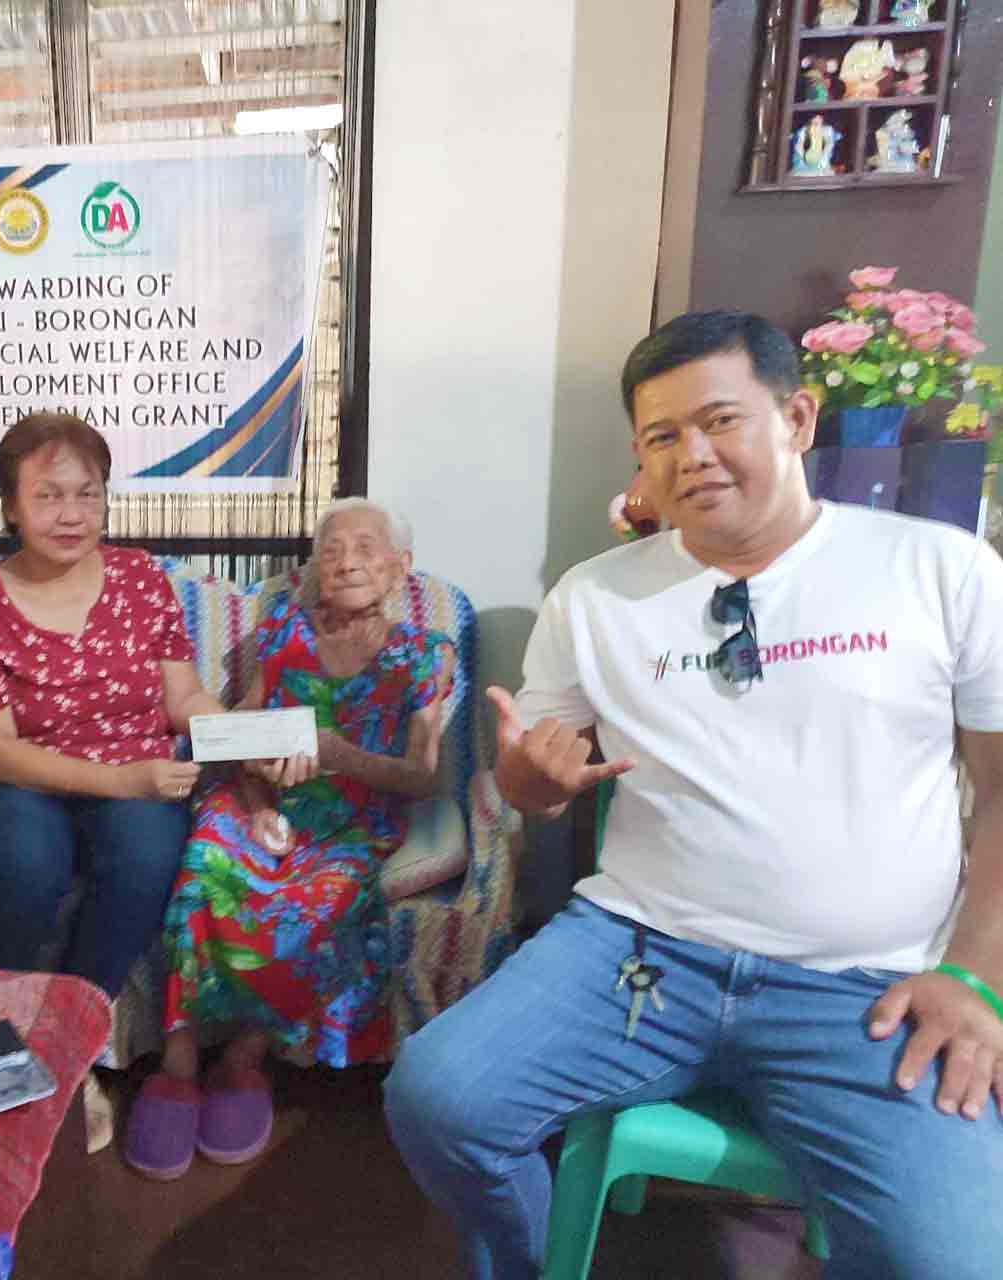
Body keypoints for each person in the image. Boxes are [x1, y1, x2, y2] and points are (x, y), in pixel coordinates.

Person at [383, 311, 1003, 1278]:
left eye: (720, 422)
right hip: (638, 954)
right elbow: (531, 783)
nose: (693, 456)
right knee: (438, 1098)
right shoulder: (594, 598)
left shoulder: (938, 570)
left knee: (952, 1262)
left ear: (796, 418)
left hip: (863, 986)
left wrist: (975, 975)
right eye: (662, 437)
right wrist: (524, 778)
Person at [124, 499, 456, 1181]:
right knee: (209, 855)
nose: (346, 560)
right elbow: (236, 734)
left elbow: (423, 775)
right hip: (267, 799)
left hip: (353, 816)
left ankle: (246, 1058)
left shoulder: (425, 653)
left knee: (315, 894)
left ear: (400, 568)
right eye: (331, 549)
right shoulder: (282, 632)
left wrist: (335, 753)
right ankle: (179, 1058)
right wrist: (256, 796)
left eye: (366, 547)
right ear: (312, 568)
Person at [0, 412, 221, 997]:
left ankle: (76, 1020)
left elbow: (183, 698)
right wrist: (121, 781)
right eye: (47, 497)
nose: (71, 515)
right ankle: (0, 1016)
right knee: (25, 865)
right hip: (22, 780)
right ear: (11, 506)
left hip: (139, 769)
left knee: (147, 856)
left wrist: (251, 739)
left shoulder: (140, 577)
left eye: (86, 494)